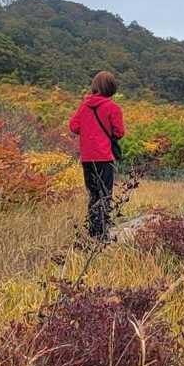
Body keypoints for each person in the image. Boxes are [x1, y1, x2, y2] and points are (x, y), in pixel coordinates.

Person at [67, 70, 125, 241]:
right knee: (104, 195)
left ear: (95, 86)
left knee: (93, 195)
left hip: (87, 158)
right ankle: (102, 234)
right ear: (111, 87)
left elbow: (73, 126)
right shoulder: (113, 108)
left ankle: (93, 232)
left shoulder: (84, 106)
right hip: (104, 158)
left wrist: (88, 129)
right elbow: (119, 132)